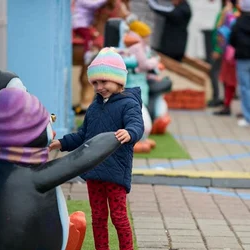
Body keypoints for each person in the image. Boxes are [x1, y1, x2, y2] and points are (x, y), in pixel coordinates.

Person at [49, 47, 144, 250]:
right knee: (98, 217)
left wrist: (130, 133)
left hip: (116, 172)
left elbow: (137, 124)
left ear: (119, 81)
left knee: (119, 217)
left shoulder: (129, 104)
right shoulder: (94, 107)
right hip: (94, 171)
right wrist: (61, 143)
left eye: (104, 81)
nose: (99, 87)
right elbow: (84, 136)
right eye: (95, 83)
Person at [72, 0, 110, 65]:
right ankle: (87, 54)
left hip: (84, 23)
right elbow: (93, 5)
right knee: (88, 35)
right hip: (80, 23)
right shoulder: (81, 1)